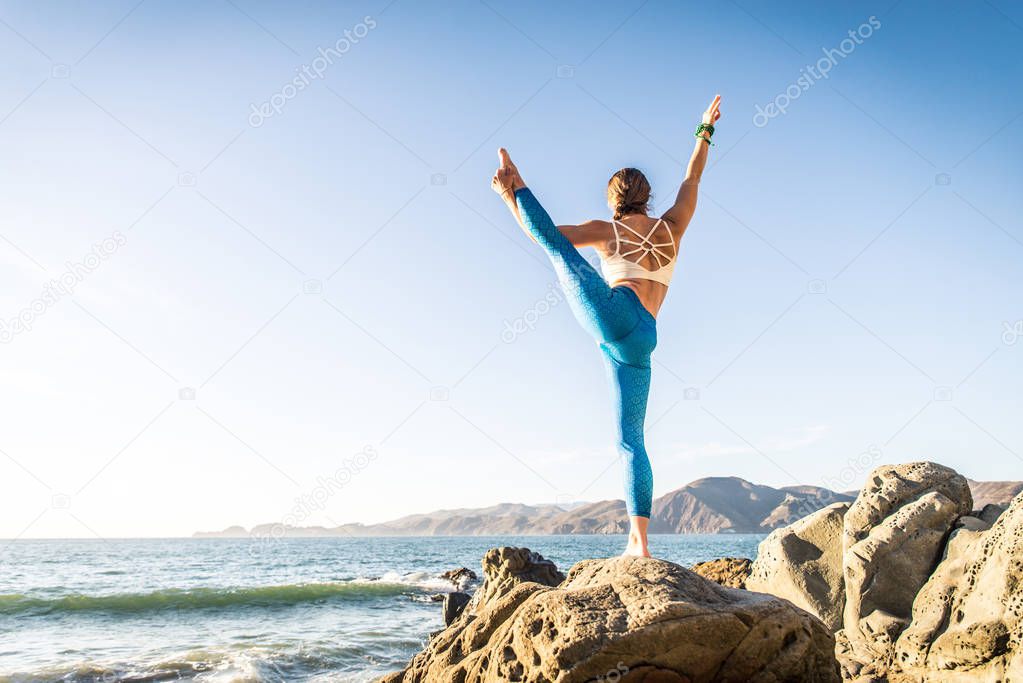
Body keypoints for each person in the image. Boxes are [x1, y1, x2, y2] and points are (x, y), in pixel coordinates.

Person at [491, 95, 722, 557]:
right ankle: (639, 544)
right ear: (647, 196)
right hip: (643, 338)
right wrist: (704, 129)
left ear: (613, 199)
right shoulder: (673, 226)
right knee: (630, 440)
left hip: (618, 313)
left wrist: (511, 195)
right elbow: (692, 177)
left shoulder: (607, 229)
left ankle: (519, 183)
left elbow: (548, 238)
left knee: (560, 254)